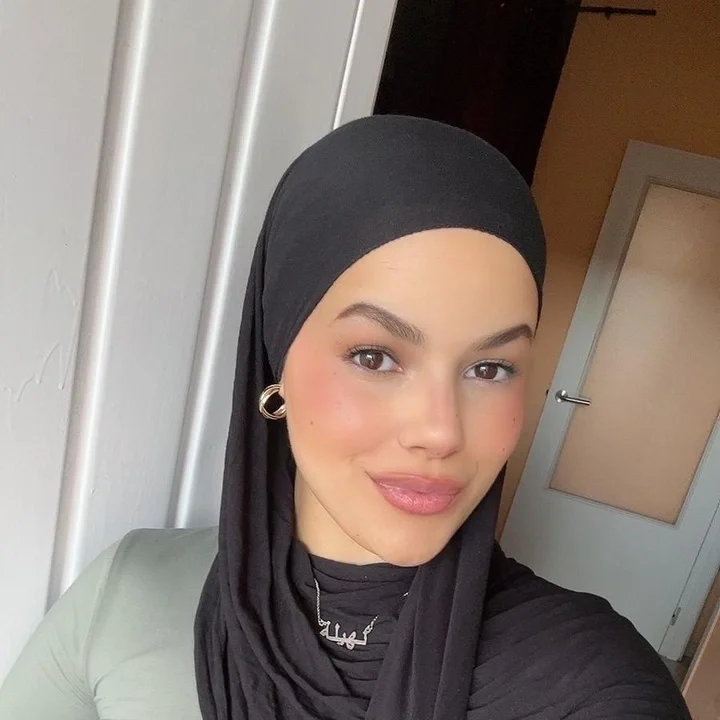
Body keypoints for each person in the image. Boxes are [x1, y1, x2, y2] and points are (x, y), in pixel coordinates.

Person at [0, 115, 689, 720]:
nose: (441, 431)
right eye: (375, 356)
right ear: (277, 356)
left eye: (490, 368)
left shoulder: (593, 678)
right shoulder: (131, 592)